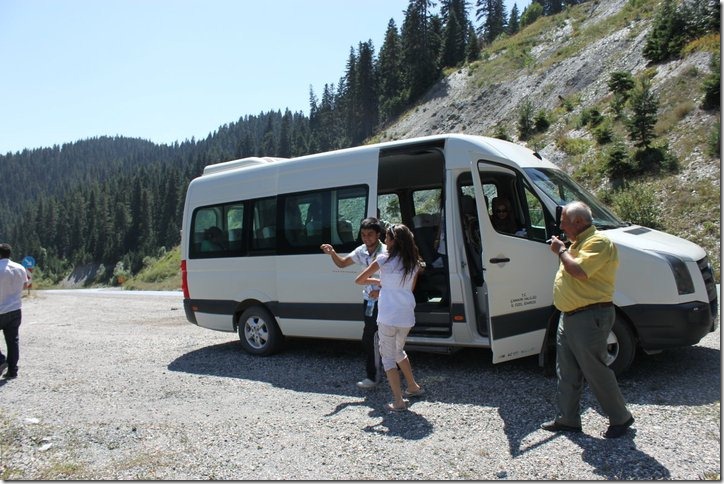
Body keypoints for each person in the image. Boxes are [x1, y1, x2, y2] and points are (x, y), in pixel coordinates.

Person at [541, 201, 635, 439]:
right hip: (570, 316)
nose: (561, 226)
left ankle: (621, 417)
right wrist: (565, 249)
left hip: (589, 316)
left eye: (564, 222)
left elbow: (579, 272)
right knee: (566, 370)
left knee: (595, 370)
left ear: (579, 222)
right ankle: (568, 419)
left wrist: (561, 251)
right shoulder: (578, 243)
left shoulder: (598, 242)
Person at [355, 224, 424, 412]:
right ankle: (413, 386)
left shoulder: (383, 259)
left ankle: (398, 401)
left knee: (388, 358)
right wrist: (386, 285)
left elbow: (360, 280)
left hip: (387, 316)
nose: (384, 240)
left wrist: (379, 282)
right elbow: (408, 289)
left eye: (387, 237)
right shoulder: (414, 263)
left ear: (393, 241)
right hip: (406, 315)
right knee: (398, 350)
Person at [321, 217, 386, 389]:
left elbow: (395, 278)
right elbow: (342, 264)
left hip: (386, 300)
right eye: (363, 235)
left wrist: (381, 291)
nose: (366, 238)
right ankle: (381, 372)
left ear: (378, 234)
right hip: (369, 301)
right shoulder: (361, 250)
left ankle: (375, 376)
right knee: (372, 337)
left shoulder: (386, 252)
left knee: (375, 337)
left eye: (370, 234)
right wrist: (332, 253)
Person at [0, 243, 29, 380]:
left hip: (0, 309)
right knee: (13, 341)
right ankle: (12, 371)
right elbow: (25, 285)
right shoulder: (20, 268)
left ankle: (1, 360)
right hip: (15, 309)